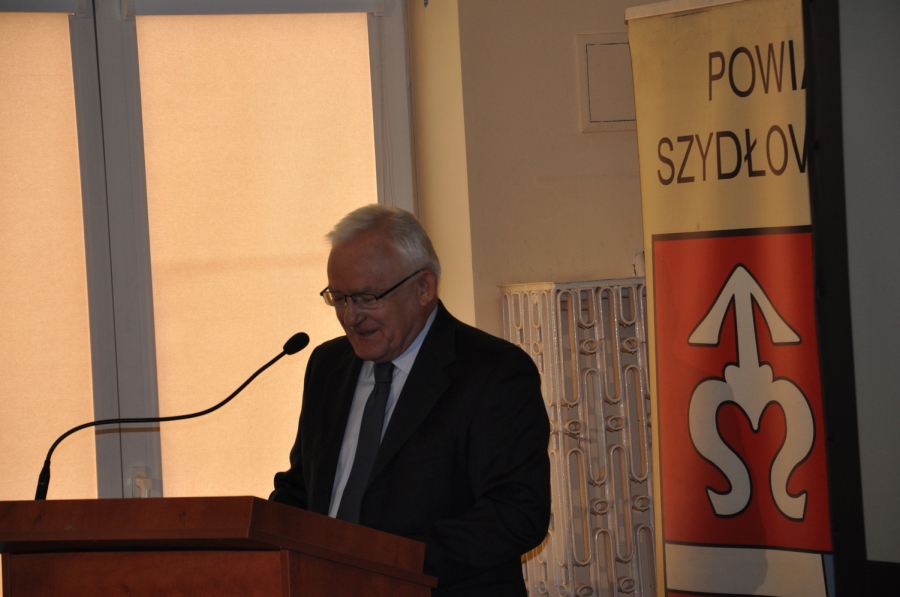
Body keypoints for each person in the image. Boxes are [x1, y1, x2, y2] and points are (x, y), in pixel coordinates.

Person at [271, 204, 550, 596]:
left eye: (367, 297)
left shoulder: (493, 372)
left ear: (424, 288)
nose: (351, 317)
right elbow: (302, 490)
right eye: (339, 298)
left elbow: (516, 514)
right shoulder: (327, 365)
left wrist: (385, 563)